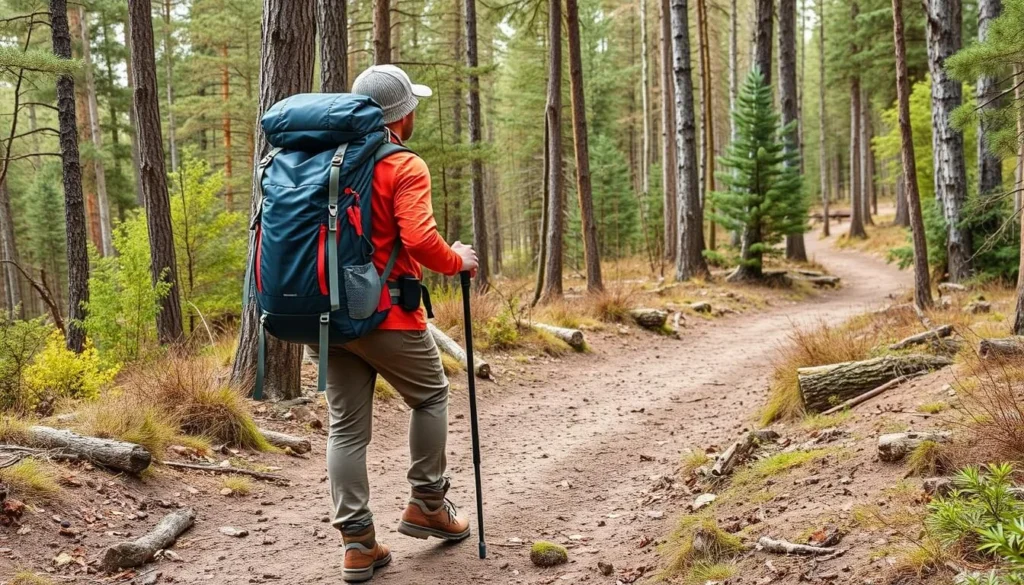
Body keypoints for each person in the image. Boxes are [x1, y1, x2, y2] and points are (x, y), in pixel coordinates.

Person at [312, 64, 480, 583]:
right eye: (411, 106)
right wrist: (457, 259)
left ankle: (358, 544)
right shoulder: (403, 164)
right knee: (430, 395)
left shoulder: (318, 158)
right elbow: (420, 241)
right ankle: (428, 502)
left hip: (324, 317)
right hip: (387, 314)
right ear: (398, 115)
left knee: (345, 429)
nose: (414, 113)